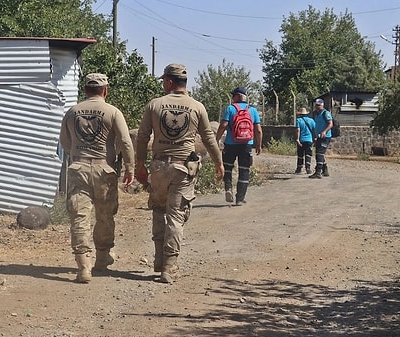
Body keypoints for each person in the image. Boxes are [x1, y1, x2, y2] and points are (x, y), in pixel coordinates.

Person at [135, 63, 224, 284]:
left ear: (168, 82)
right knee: (175, 216)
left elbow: (143, 137)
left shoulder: (154, 105)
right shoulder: (197, 107)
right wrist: (218, 163)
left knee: (158, 210)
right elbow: (208, 139)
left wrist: (139, 164)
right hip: (184, 169)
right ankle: (169, 266)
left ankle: (158, 259)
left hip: (158, 168)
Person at [59, 73, 135, 283]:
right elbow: (126, 142)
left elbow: (64, 142)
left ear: (85, 90)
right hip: (104, 169)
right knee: (105, 215)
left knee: (79, 216)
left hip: (78, 167)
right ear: (105, 90)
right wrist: (130, 168)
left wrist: (77, 156)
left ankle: (84, 266)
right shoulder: (112, 112)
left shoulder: (72, 112)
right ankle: (102, 258)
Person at [216, 87, 263, 206]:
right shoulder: (252, 110)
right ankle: (240, 198)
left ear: (239, 96)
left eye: (234, 95)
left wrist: (216, 140)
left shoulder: (230, 109)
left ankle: (228, 189)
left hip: (230, 144)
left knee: (227, 168)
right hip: (246, 145)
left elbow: (223, 125)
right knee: (244, 171)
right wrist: (258, 145)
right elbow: (258, 130)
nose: (232, 98)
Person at [309, 98, 333, 179]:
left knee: (320, 153)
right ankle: (325, 170)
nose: (317, 107)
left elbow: (330, 124)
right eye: (316, 105)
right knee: (319, 154)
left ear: (322, 105)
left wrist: (324, 131)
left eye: (319, 105)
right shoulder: (316, 114)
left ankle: (318, 172)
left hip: (325, 137)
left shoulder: (326, 113)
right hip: (318, 136)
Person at [294, 107, 316, 174]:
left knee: (300, 154)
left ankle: (299, 168)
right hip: (309, 140)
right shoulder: (311, 120)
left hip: (301, 140)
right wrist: (315, 138)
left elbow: (298, 130)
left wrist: (297, 139)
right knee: (308, 154)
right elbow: (314, 130)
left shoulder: (298, 120)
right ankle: (308, 168)